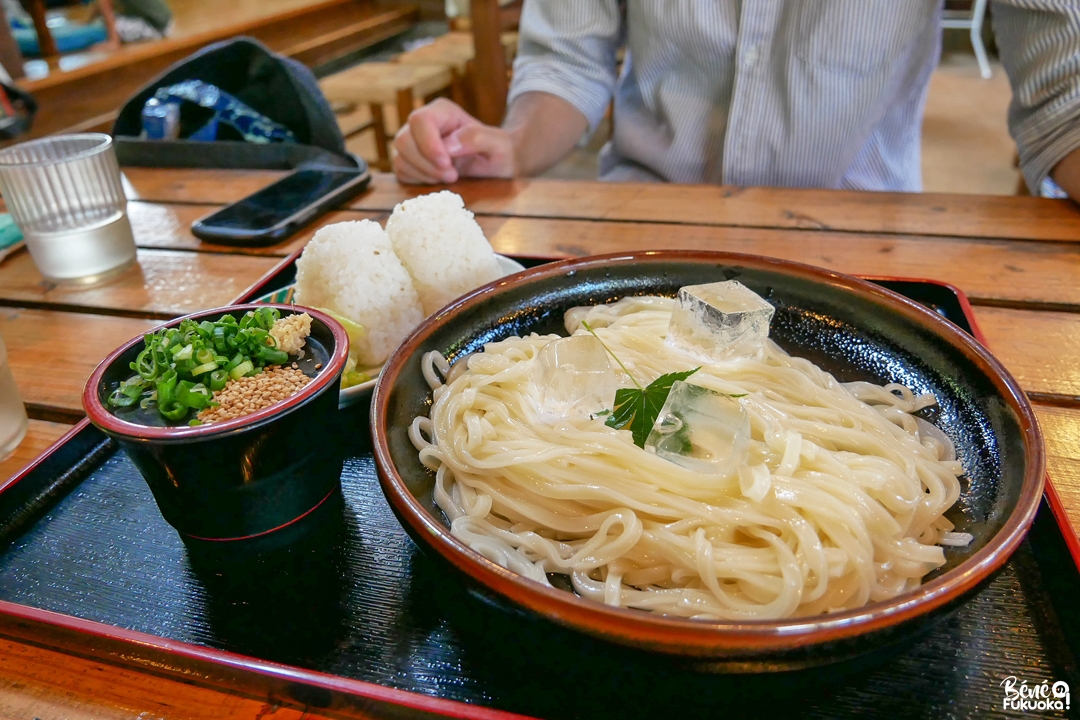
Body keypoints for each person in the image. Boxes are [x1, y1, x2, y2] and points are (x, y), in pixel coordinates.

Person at [393, 1, 1080, 198]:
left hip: (865, 234)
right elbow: (569, 59)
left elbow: (1066, 99)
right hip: (647, 224)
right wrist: (511, 145)